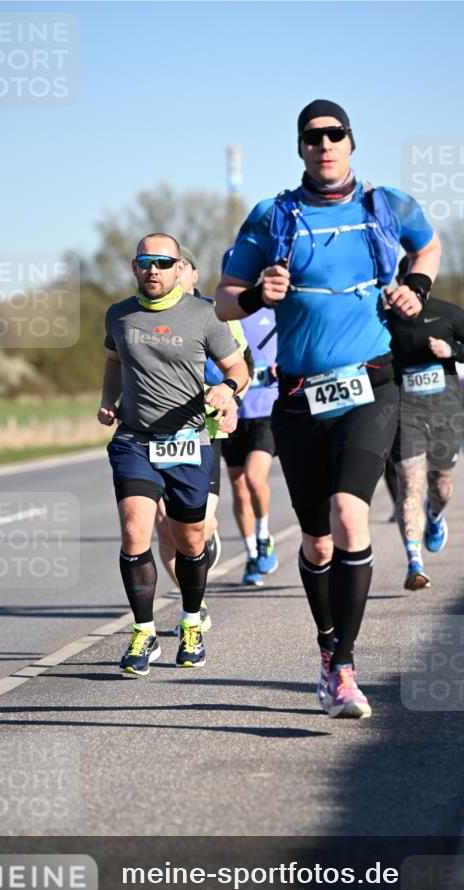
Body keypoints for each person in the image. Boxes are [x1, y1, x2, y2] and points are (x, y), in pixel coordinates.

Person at [215, 99, 440, 719]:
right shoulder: (273, 216)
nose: (324, 144)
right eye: (313, 137)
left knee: (350, 514)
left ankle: (345, 668)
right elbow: (224, 302)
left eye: (334, 134)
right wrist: (260, 292)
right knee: (316, 543)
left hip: (371, 384)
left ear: (351, 141)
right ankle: (325, 648)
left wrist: (415, 288)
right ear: (300, 147)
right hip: (297, 396)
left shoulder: (385, 206)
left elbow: (429, 246)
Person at [99, 233, 248, 674]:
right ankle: (144, 633)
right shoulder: (119, 315)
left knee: (191, 540)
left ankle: (190, 621)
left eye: (164, 262)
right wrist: (108, 399)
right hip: (135, 439)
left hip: (188, 440)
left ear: (179, 267)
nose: (155, 270)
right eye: (147, 262)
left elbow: (237, 368)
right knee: (134, 532)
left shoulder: (204, 315)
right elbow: (113, 361)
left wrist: (226, 388)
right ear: (134, 266)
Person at [154, 246, 251, 630]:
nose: (169, 274)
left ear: (192, 274)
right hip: (155, 432)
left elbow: (242, 367)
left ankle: (204, 542)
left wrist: (232, 401)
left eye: (178, 267)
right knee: (164, 527)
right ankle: (194, 603)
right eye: (162, 267)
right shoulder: (145, 315)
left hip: (203, 431)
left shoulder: (217, 313)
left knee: (198, 527)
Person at [388, 256, 464, 590]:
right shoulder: (384, 319)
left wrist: (452, 350)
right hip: (406, 413)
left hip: (445, 411)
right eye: (402, 283)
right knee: (410, 485)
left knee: (441, 486)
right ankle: (414, 562)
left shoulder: (449, 314)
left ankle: (435, 515)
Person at [220, 249, 280, 586]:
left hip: (267, 410)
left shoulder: (274, 310)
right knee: (240, 491)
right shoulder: (221, 315)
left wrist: (281, 364)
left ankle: (264, 535)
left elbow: (294, 344)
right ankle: (250, 556)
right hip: (231, 413)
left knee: (256, 480)